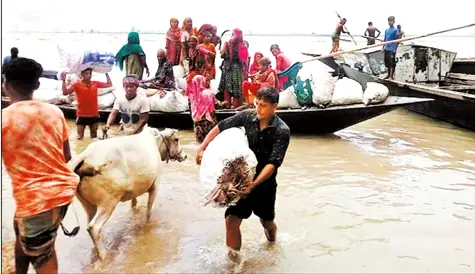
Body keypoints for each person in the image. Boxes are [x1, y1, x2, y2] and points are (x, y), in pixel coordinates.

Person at [2, 57, 80, 274]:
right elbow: (66, 156)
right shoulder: (55, 113)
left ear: (4, 83)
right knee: (21, 230)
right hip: (61, 194)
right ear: (37, 85)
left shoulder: (3, 119)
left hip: (37, 202)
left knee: (44, 258)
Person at [195, 87, 290, 261]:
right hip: (242, 178)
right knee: (231, 220)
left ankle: (273, 244)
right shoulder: (247, 116)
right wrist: (202, 147)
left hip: (264, 185)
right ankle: (234, 265)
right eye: (257, 104)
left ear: (274, 107)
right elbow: (220, 127)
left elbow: (272, 164)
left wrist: (252, 186)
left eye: (264, 106)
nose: (258, 109)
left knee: (266, 221)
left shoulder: (282, 131)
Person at [61, 68, 112, 140]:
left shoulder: (95, 83)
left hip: (94, 114)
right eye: (87, 73)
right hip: (81, 115)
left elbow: (109, 84)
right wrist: (63, 80)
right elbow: (65, 92)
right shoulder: (76, 85)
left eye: (90, 73)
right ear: (82, 74)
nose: (89, 75)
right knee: (79, 137)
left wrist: (106, 73)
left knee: (94, 136)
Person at [218, 28, 249, 108]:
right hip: (237, 68)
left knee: (226, 87)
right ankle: (235, 106)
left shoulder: (226, 43)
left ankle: (226, 105)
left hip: (227, 67)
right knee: (236, 87)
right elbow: (244, 61)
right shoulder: (243, 45)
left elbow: (222, 55)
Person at [189, 75, 217, 143]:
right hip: (209, 123)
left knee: (199, 143)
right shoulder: (208, 93)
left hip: (197, 125)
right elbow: (215, 104)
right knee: (211, 142)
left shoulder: (192, 96)